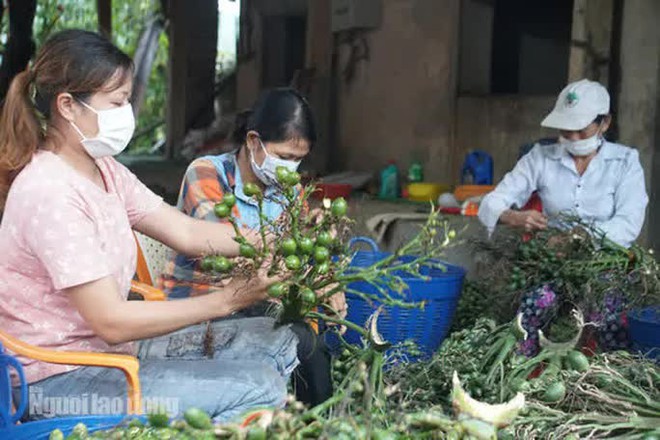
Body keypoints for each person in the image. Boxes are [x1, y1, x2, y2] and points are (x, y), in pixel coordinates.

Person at [0, 30, 299, 422]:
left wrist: (273, 240)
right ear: (68, 106)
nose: (128, 113)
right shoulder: (49, 192)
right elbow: (111, 321)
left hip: (108, 356)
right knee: (260, 387)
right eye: (118, 102)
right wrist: (226, 300)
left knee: (279, 343)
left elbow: (188, 233)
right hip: (58, 383)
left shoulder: (102, 169)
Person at [160, 88, 345, 406]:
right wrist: (298, 269)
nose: (291, 168)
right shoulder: (206, 173)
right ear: (253, 141)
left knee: (316, 334)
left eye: (298, 159)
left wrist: (324, 282)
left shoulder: (290, 192)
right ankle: (313, 420)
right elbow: (221, 247)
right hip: (204, 308)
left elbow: (299, 256)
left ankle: (310, 418)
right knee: (303, 341)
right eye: (284, 157)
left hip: (259, 304)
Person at [478, 79, 648, 248]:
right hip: (553, 259)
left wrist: (577, 239)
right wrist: (512, 216)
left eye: (581, 130)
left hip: (607, 262)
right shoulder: (540, 157)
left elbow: (628, 224)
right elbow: (490, 203)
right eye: (566, 129)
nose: (573, 137)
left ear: (604, 123)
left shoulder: (625, 162)